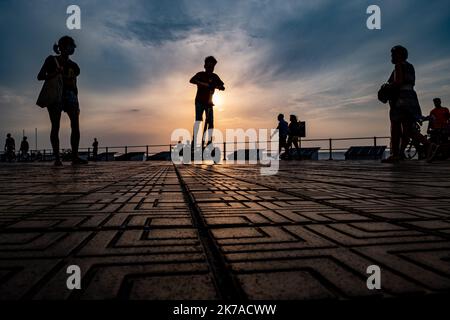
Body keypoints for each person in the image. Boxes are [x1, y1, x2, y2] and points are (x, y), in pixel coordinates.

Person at [381, 45, 437, 163]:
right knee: (408, 129)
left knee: (395, 126)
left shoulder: (398, 65)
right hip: (411, 98)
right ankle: (429, 145)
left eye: (393, 54)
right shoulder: (410, 66)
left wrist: (387, 87)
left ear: (400, 55)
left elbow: (398, 82)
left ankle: (395, 155)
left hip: (400, 99)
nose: (391, 56)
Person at [37, 36, 87, 166]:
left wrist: (77, 101)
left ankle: (75, 157)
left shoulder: (74, 66)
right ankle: (57, 158)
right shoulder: (51, 60)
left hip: (71, 95)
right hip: (55, 94)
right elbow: (40, 76)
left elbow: (75, 84)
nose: (73, 48)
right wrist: (55, 73)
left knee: (75, 125)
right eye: (71, 46)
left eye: (73, 46)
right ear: (63, 47)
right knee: (55, 126)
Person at [190, 56, 225, 151]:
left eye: (212, 67)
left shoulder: (215, 77)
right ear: (205, 66)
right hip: (199, 101)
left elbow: (222, 86)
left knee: (211, 122)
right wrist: (202, 84)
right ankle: (195, 142)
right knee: (198, 121)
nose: (210, 69)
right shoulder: (200, 74)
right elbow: (191, 80)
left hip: (209, 102)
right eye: (209, 66)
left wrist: (218, 86)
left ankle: (209, 142)